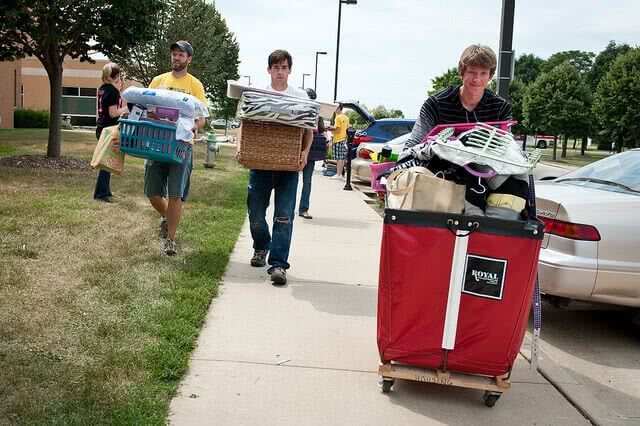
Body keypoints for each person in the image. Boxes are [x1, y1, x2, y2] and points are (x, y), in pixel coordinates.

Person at [241, 49, 313, 285]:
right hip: (261, 165)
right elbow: (246, 122)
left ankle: (278, 265)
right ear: (269, 69)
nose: (280, 71)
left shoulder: (299, 96)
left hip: (288, 169)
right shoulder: (259, 94)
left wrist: (304, 152)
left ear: (289, 70)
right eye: (276, 67)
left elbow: (308, 129)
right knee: (255, 215)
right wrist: (241, 148)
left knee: (284, 217)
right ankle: (261, 246)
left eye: (284, 67)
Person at [145, 40, 207, 256]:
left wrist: (195, 127)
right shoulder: (158, 80)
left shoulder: (195, 85)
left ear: (189, 59)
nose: (176, 58)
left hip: (181, 145)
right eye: (174, 54)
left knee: (175, 195)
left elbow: (202, 118)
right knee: (152, 192)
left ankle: (170, 239)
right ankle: (165, 216)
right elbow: (145, 107)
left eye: (181, 55)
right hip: (156, 142)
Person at [403, 44, 512, 152]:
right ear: (461, 72)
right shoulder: (436, 104)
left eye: (483, 73)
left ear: (490, 76)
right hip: (438, 166)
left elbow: (506, 149)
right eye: (472, 72)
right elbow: (412, 147)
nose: (477, 79)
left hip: (484, 167)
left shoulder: (501, 108)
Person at [94, 63, 127, 203]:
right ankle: (100, 194)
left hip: (101, 127)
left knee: (107, 161)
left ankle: (106, 191)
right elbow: (113, 113)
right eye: (119, 75)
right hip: (109, 129)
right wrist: (127, 108)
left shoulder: (102, 88)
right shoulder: (112, 91)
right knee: (106, 162)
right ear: (116, 76)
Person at [298, 87, 328, 219]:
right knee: (300, 180)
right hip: (298, 146)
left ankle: (303, 209)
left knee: (305, 180)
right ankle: (301, 209)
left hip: (309, 148)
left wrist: (326, 139)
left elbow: (321, 129)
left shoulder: (316, 112)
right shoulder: (299, 108)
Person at [327, 104, 350, 179]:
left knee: (338, 158)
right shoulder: (346, 117)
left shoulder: (337, 117)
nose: (334, 109)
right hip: (344, 139)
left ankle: (338, 174)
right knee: (342, 158)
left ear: (339, 108)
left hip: (338, 139)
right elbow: (346, 129)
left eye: (335, 108)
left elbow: (337, 129)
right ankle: (341, 174)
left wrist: (328, 128)